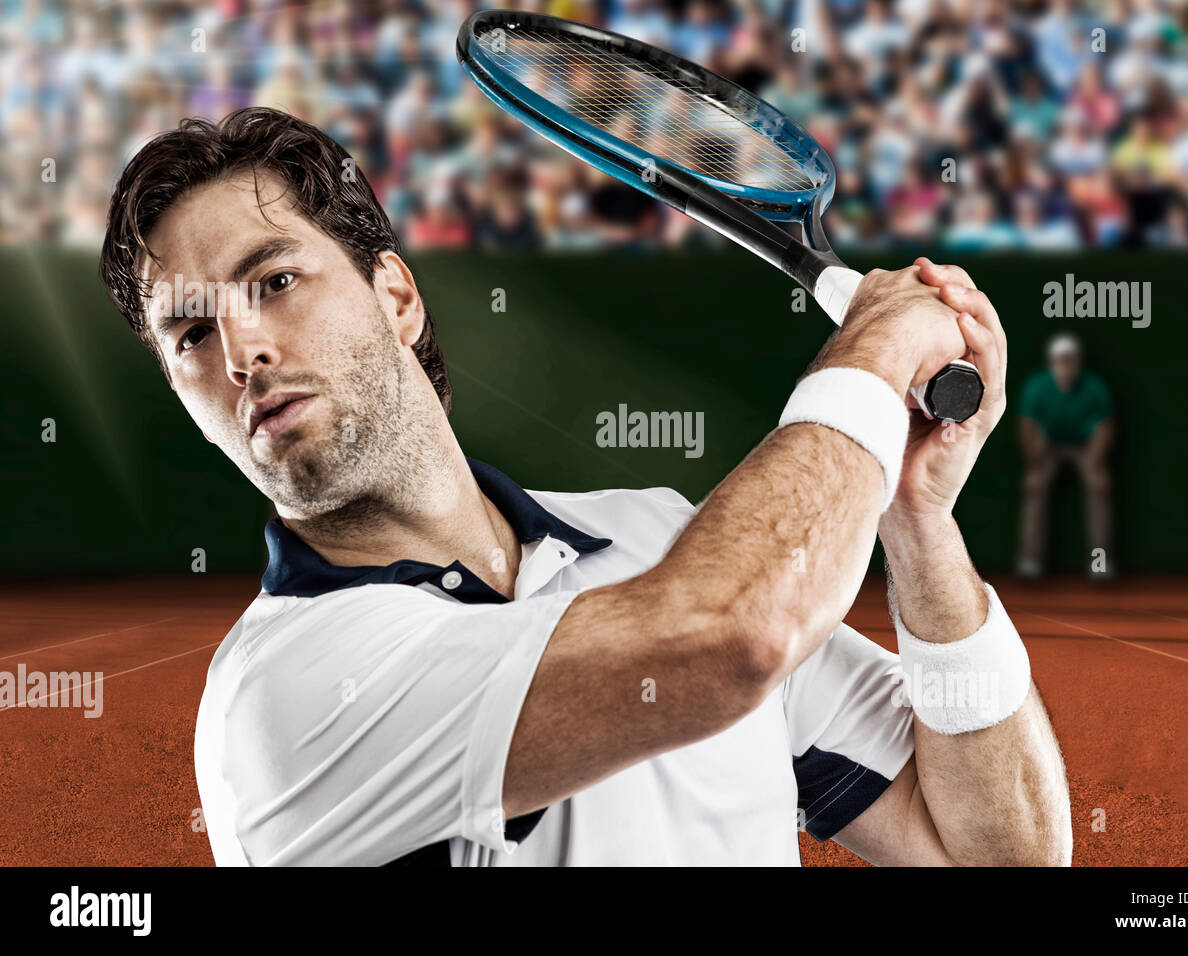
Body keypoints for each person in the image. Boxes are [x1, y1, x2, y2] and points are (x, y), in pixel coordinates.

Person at [98, 107, 1070, 866]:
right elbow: (727, 633)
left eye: (273, 279)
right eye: (190, 332)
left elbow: (998, 850)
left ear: (395, 296)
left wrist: (915, 520)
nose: (242, 349)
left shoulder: (661, 538)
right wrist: (878, 344)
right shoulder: (282, 692)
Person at [1017, 333, 1116, 579]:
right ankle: (1030, 561)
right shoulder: (1037, 386)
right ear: (1051, 363)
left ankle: (1099, 563)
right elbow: (1027, 426)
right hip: (1047, 444)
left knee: (1098, 487)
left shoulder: (1094, 386)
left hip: (1085, 444)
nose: (1066, 366)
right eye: (1061, 361)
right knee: (1035, 488)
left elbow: (1105, 426)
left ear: (1078, 362)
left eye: (1071, 360)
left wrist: (1097, 465)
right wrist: (1035, 467)